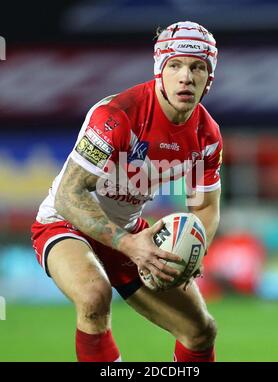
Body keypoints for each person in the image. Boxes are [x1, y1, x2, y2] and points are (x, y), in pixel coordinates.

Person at [31, 21, 222, 362]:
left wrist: (196, 250)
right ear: (159, 70)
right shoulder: (117, 116)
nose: (185, 77)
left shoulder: (206, 136)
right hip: (66, 224)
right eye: (175, 65)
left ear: (209, 77)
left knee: (200, 330)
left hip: (130, 234)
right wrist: (128, 243)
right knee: (93, 296)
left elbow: (205, 206)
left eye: (197, 67)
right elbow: (69, 195)